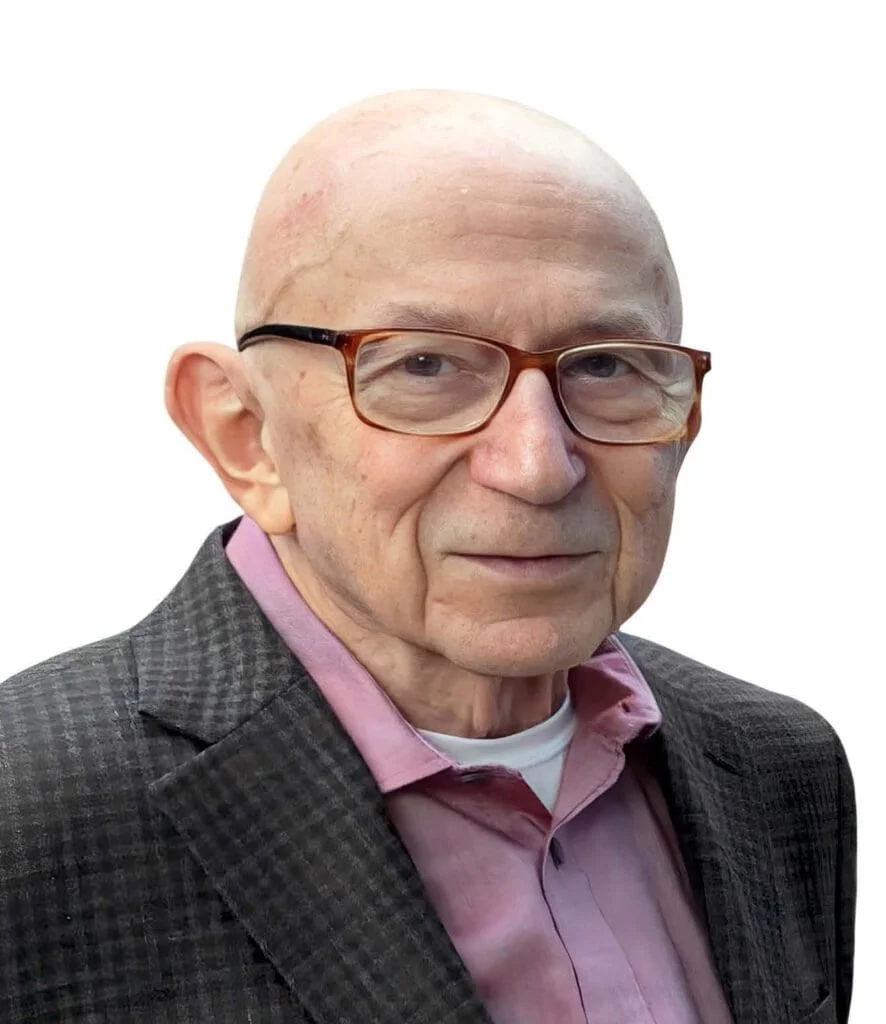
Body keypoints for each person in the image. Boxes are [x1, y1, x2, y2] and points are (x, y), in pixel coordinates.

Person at [0, 90, 854, 1024]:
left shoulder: (779, 766)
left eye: (605, 365)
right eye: (425, 366)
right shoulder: (26, 815)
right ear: (244, 433)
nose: (537, 467)